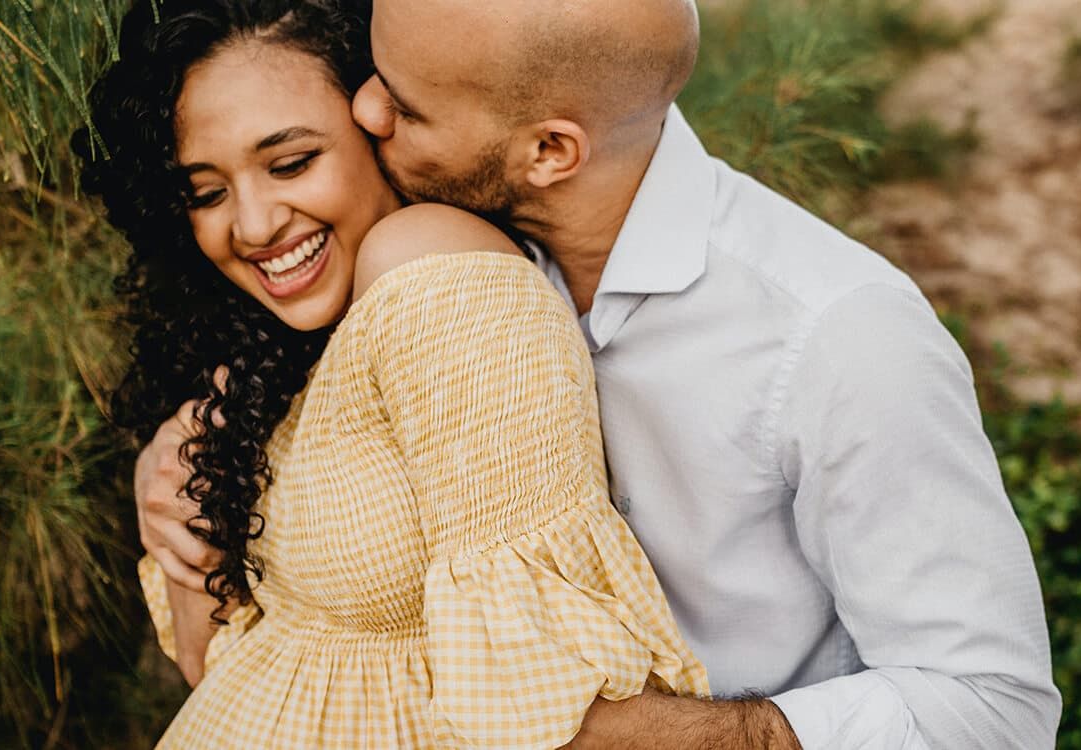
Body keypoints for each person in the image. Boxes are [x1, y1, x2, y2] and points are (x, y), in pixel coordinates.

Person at [134, 0, 1064, 748]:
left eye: (406, 104)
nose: (366, 111)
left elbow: (992, 710)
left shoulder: (834, 334)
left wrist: (658, 737)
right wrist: (188, 477)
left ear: (550, 152)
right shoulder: (426, 252)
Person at [77, 0, 711, 747]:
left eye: (291, 163)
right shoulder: (274, 353)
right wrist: (184, 478)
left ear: (379, 125)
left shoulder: (433, 269)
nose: (250, 226)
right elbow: (221, 667)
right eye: (207, 193)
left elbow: (550, 708)